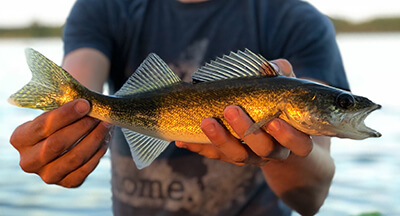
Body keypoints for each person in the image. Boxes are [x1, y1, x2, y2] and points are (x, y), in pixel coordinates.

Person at [10, 0, 350, 215]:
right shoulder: (104, 7)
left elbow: (312, 198)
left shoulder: (297, 20)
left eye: (342, 103)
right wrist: (63, 136)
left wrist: (278, 152)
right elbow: (81, 80)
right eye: (343, 103)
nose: (344, 108)